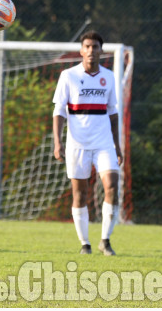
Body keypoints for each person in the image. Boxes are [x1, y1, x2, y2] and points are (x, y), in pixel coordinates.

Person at [52, 31, 123, 256]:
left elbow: (112, 113)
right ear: (81, 50)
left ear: (101, 51)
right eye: (88, 46)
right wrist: (57, 142)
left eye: (95, 47)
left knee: (112, 185)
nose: (91, 50)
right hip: (77, 144)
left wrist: (118, 146)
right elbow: (59, 111)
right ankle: (85, 243)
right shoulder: (68, 76)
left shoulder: (109, 77)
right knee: (79, 193)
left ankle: (105, 240)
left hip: (104, 143)